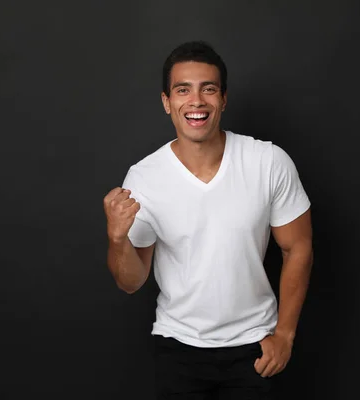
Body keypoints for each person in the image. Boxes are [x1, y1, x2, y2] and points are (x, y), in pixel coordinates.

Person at [103, 41, 313, 399]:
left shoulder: (268, 162)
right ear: (167, 101)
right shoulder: (144, 177)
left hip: (254, 347)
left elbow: (298, 248)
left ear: (223, 99)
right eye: (183, 90)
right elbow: (130, 282)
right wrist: (118, 240)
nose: (196, 101)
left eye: (208, 89)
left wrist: (285, 335)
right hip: (178, 348)